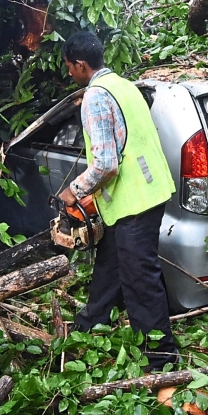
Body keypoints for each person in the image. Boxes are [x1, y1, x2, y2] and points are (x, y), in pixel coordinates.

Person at [60, 31, 179, 372]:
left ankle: (160, 359)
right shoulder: (124, 85)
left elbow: (105, 164)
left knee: (139, 278)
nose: (70, 73)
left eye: (70, 67)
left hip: (134, 201)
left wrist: (75, 190)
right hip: (149, 192)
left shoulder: (96, 97)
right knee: (112, 262)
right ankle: (92, 322)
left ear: (81, 65)